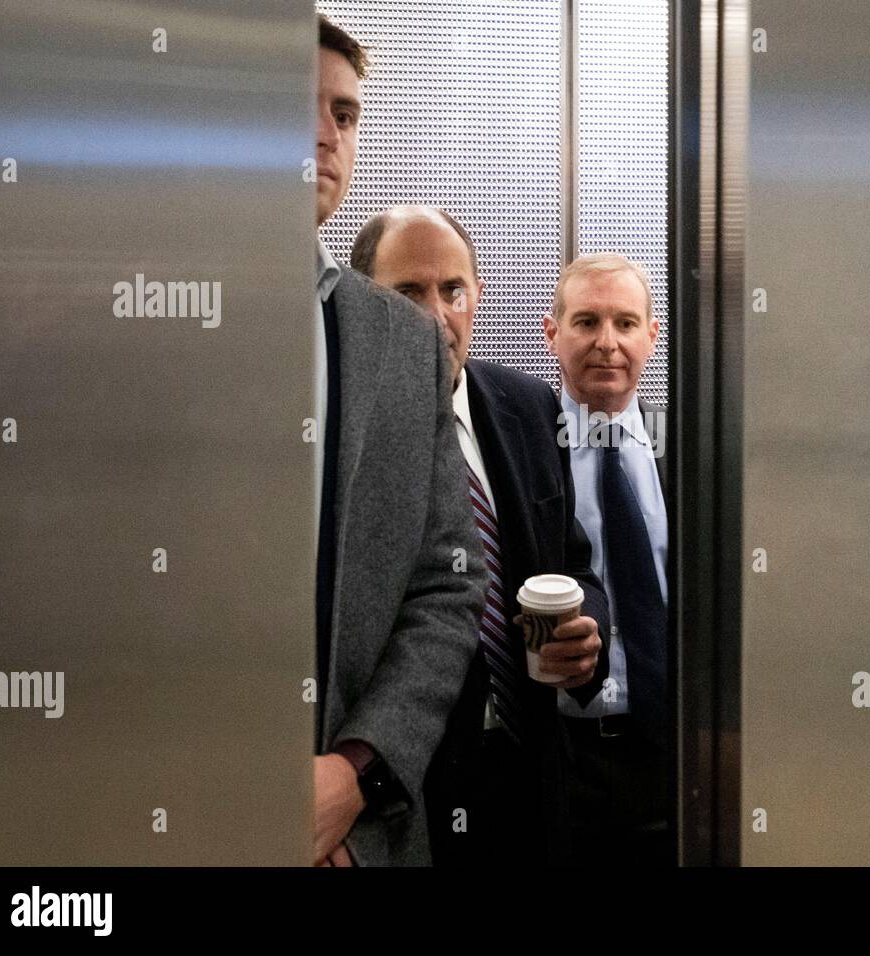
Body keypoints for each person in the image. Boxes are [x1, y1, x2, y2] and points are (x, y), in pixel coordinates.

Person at [350, 205, 608, 865]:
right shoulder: (336, 443)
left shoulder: (528, 407)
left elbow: (571, 561)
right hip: (407, 794)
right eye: (407, 293)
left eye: (453, 290)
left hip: (532, 777)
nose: (436, 315)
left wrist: (585, 640)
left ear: (478, 297)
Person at [311, 16, 485, 867]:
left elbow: (447, 589)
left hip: (361, 834)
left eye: (343, 115)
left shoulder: (401, 345)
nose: (323, 135)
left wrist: (355, 776)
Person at [542, 253, 670, 866]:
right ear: (553, 332)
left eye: (625, 322)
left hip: (669, 754)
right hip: (556, 756)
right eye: (586, 321)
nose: (606, 343)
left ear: (653, 333)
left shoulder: (693, 451)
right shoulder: (520, 454)